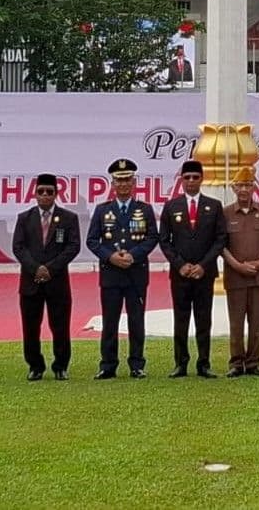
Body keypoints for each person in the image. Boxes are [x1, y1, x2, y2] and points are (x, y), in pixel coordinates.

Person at [87, 159, 159, 379]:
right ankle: (108, 365)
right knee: (110, 321)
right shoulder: (102, 210)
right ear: (112, 184)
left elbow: (152, 237)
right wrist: (110, 257)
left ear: (134, 182)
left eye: (127, 180)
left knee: (136, 321)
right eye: (119, 180)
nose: (123, 185)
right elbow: (92, 241)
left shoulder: (144, 209)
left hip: (136, 274)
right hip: (111, 274)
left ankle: (137, 364)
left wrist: (133, 255)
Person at [158, 160, 226, 378]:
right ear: (181, 180)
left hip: (204, 273)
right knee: (181, 319)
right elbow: (164, 241)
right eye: (187, 177)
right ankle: (181, 363)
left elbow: (220, 239)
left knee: (204, 319)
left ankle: (204, 363)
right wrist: (180, 264)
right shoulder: (172, 206)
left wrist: (203, 265)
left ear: (201, 179)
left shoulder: (214, 206)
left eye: (195, 177)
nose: (191, 181)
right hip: (181, 274)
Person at [11, 172, 81, 381]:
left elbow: (73, 247)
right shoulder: (25, 218)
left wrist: (50, 268)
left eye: (49, 192)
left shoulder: (69, 218)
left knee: (60, 326)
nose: (44, 195)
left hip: (57, 281)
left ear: (56, 193)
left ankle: (60, 366)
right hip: (30, 282)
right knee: (31, 327)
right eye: (40, 191)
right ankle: (35, 366)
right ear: (35, 193)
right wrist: (36, 268)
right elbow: (18, 247)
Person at [220, 177, 259, 377]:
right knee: (236, 322)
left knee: (257, 321)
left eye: (248, 185)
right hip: (235, 277)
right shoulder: (225, 213)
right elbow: (221, 245)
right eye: (240, 185)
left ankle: (253, 362)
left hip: (258, 276)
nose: (244, 189)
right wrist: (236, 265)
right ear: (233, 187)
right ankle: (236, 362)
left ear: (254, 187)